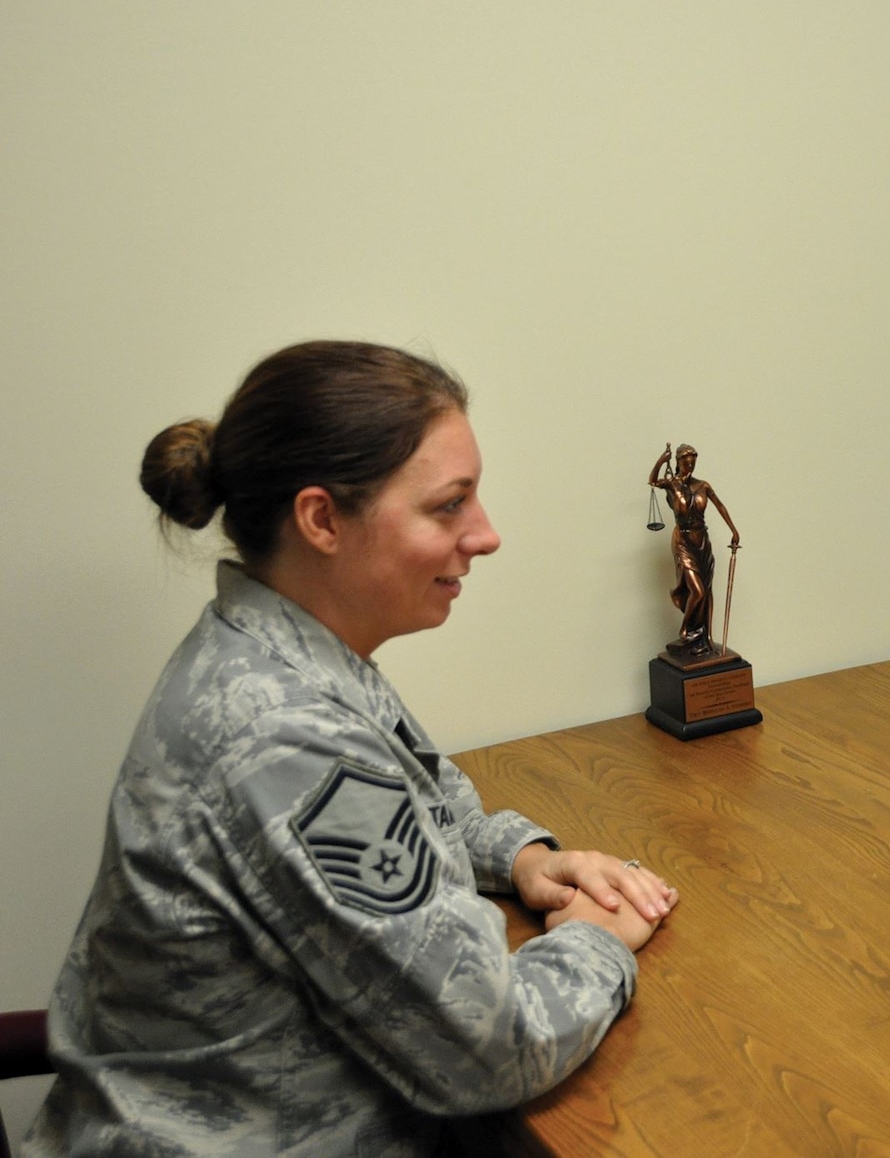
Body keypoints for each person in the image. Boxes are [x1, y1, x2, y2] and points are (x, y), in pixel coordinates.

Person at [28, 342, 679, 1155]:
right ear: (323, 519)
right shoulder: (281, 734)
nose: (486, 535)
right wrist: (594, 939)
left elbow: (418, 793)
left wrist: (521, 858)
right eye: (449, 505)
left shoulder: (281, 648)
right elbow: (492, 1049)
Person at [648, 442, 740, 659]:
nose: (690, 466)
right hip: (683, 542)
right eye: (686, 462)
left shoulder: (703, 486)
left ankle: (704, 637)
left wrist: (734, 531)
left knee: (706, 592)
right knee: (697, 591)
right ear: (679, 463)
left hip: (702, 542)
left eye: (693, 462)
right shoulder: (672, 484)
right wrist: (662, 460)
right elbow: (652, 481)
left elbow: (720, 506)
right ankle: (687, 631)